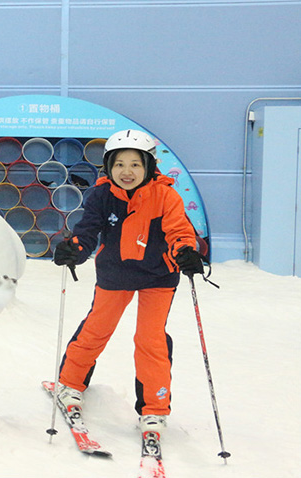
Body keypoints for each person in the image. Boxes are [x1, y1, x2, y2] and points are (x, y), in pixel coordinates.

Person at [51, 129, 204, 436]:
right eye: (119, 164)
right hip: (115, 273)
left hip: (158, 276)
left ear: (149, 165)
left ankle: (154, 409)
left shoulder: (166, 195)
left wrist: (186, 251)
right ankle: (69, 384)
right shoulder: (102, 195)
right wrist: (75, 248)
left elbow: (179, 231)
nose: (127, 171)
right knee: (97, 329)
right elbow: (88, 230)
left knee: (150, 340)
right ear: (109, 167)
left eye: (135, 164)